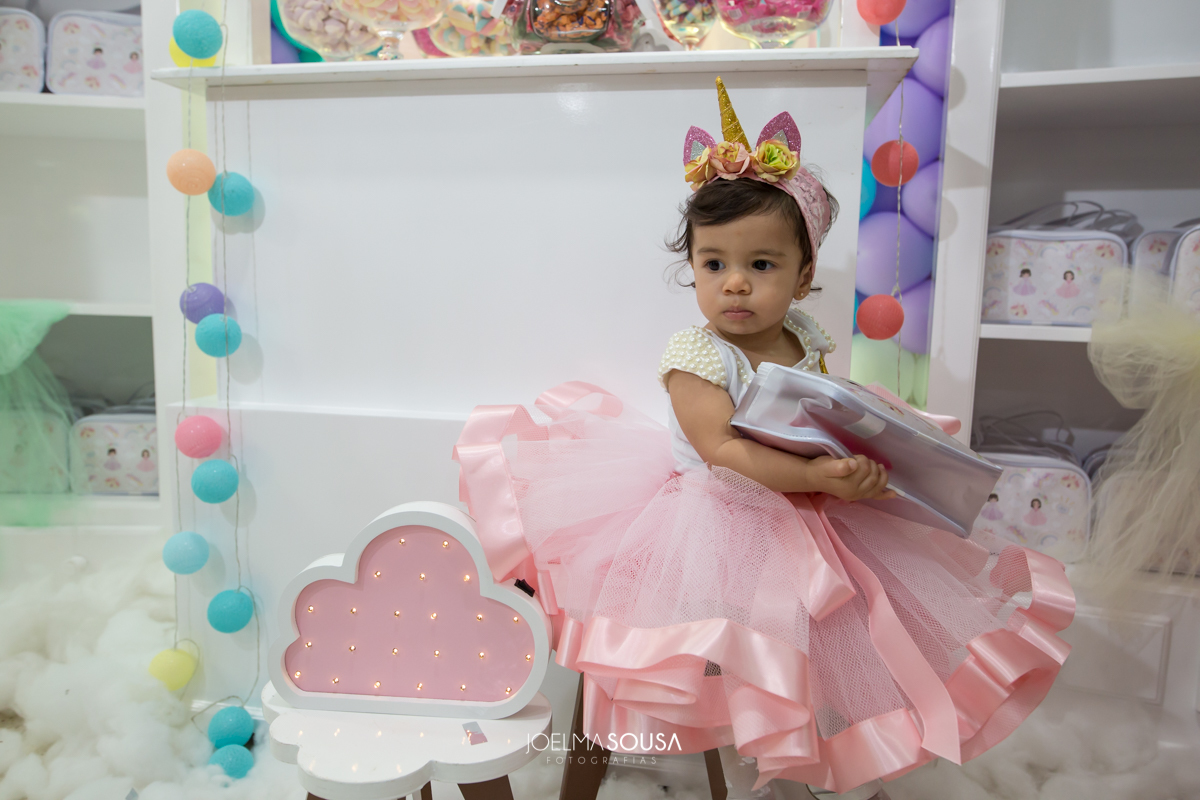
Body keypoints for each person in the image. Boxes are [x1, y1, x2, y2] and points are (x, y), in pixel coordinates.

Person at [453, 79, 1075, 800]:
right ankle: (587, 778)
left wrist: (855, 462)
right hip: (705, 519)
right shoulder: (697, 354)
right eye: (714, 264)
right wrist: (815, 478)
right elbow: (722, 450)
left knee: (831, 638)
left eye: (761, 265)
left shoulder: (803, 337)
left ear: (804, 275)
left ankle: (809, 764)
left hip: (797, 512)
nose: (735, 285)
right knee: (640, 655)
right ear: (692, 268)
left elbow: (816, 419)